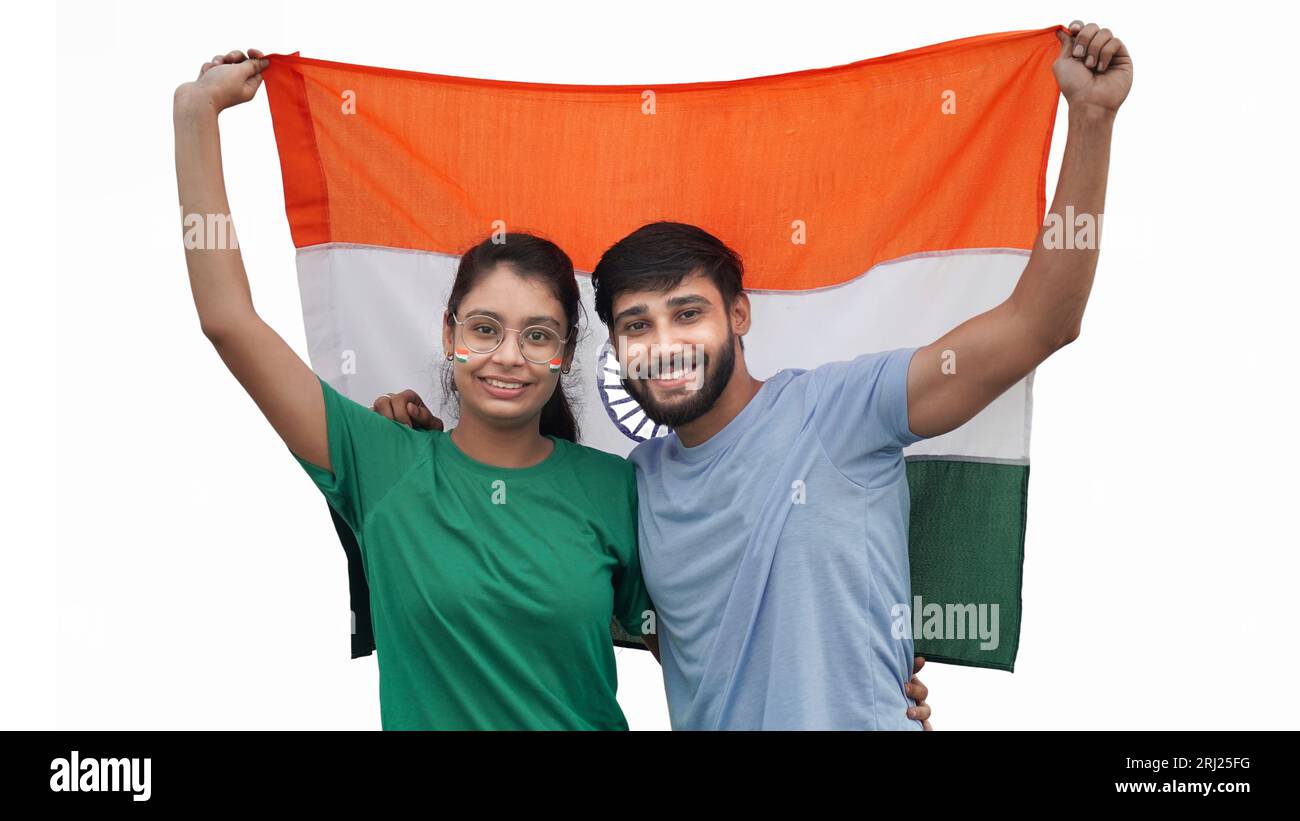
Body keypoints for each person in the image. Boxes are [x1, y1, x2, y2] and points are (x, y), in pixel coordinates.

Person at [378, 19, 1128, 729]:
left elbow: (1042, 322)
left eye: (687, 313)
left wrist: (1090, 122)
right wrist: (435, 449)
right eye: (637, 324)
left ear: (739, 314)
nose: (664, 341)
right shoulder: (637, 487)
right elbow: (540, 568)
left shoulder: (843, 409)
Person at [174, 48, 658, 730]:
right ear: (447, 332)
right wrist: (196, 117)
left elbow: (698, 654)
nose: (508, 356)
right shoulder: (381, 463)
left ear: (567, 351)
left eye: (538, 335)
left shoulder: (619, 489)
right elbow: (227, 318)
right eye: (485, 328)